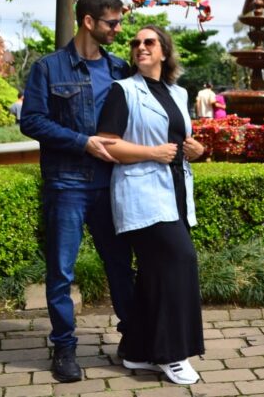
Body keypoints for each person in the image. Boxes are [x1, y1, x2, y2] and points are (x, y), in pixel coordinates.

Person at [20, 0, 134, 383]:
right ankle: (64, 349)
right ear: (89, 21)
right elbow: (31, 120)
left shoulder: (121, 69)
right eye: (112, 22)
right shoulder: (48, 68)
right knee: (61, 273)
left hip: (112, 185)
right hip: (66, 184)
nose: (119, 29)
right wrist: (82, 142)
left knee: (121, 267)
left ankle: (131, 338)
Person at [96, 25, 205, 386]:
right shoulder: (122, 91)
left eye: (149, 42)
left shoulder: (177, 92)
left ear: (163, 52)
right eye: (136, 43)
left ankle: (137, 351)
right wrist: (150, 153)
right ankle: (172, 355)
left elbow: (180, 139)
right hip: (142, 194)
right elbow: (107, 144)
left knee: (155, 275)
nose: (140, 47)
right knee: (180, 262)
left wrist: (197, 150)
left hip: (175, 192)